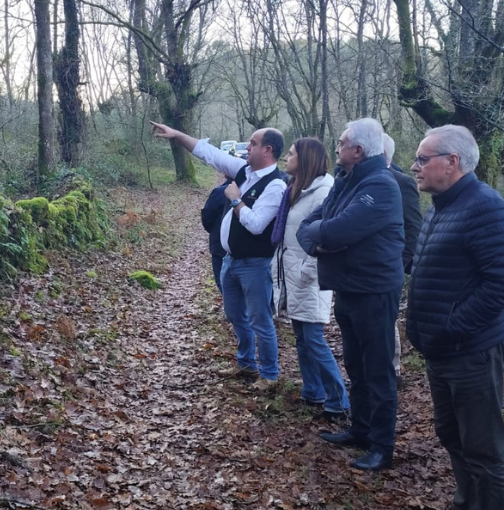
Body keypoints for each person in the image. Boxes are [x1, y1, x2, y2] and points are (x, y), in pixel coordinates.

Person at [406, 125, 504, 510]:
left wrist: (452, 327)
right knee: (451, 433)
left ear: (452, 162)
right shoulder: (441, 205)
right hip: (442, 350)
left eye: (423, 158)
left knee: (484, 445)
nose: (415, 166)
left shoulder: (485, 207)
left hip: (472, 349)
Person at [297, 118, 404, 472]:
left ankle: (382, 446)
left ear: (357, 150)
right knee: (356, 365)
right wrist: (322, 239)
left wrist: (325, 236)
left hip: (374, 291)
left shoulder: (381, 186)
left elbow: (338, 228)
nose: (337, 147)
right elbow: (309, 226)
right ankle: (360, 429)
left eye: (342, 143)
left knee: (378, 370)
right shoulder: (346, 182)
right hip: (348, 287)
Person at [152, 122, 287, 391]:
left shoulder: (276, 185)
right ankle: (246, 362)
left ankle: (270, 374)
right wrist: (178, 134)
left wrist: (236, 200)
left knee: (260, 319)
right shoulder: (243, 171)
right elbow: (209, 153)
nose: (247, 148)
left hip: (255, 264)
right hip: (231, 260)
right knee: (235, 314)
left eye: (253, 143)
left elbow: (257, 224)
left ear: (268, 150)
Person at [271, 138, 350, 420]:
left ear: (304, 160)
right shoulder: (296, 189)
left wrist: (307, 273)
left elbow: (324, 237)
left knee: (314, 338)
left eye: (291, 154)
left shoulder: (323, 192)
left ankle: (339, 399)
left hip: (307, 276)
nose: (286, 158)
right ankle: (314, 391)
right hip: (291, 273)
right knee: (302, 338)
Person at [382, 133, 424, 376]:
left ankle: (393, 370)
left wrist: (399, 265)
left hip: (390, 268)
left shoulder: (403, 183)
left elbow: (413, 228)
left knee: (386, 321)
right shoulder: (349, 181)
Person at [202, 172, 234, 294]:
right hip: (249, 252)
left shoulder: (219, 193)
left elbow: (207, 217)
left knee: (223, 282)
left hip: (219, 246)